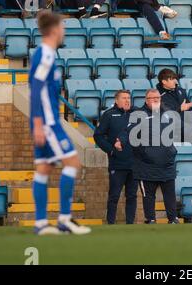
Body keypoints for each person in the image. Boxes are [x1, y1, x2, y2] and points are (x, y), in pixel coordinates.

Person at [29, 11, 91, 235]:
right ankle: (64, 220)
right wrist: (38, 123)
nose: (64, 30)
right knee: (73, 163)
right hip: (47, 122)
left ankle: (41, 224)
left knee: (44, 168)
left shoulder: (46, 54)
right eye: (62, 26)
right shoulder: (45, 54)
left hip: (43, 121)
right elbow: (36, 90)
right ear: (54, 29)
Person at [119, 89, 179, 224]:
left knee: (170, 195)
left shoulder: (168, 114)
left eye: (158, 97)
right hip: (146, 164)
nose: (156, 100)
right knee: (148, 196)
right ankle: (150, 219)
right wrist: (120, 141)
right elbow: (127, 131)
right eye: (152, 98)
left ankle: (173, 219)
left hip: (167, 163)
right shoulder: (139, 115)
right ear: (146, 100)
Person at [93, 90, 138, 224]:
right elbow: (98, 136)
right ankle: (111, 223)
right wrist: (111, 150)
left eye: (129, 98)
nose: (127, 100)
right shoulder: (109, 115)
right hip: (117, 163)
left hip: (134, 163)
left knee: (132, 196)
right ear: (116, 100)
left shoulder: (136, 114)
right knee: (114, 195)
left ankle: (130, 224)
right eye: (124, 98)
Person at [156, 69, 192, 142]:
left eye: (175, 79)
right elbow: (169, 117)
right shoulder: (158, 97)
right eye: (172, 79)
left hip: (188, 125)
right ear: (164, 82)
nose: (175, 81)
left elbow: (191, 114)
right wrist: (179, 109)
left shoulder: (180, 91)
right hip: (174, 129)